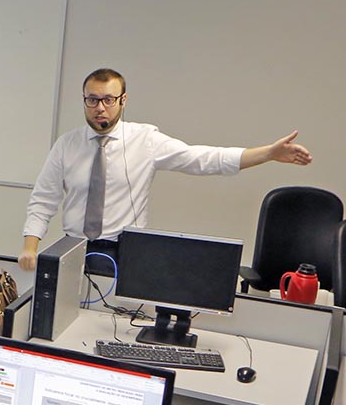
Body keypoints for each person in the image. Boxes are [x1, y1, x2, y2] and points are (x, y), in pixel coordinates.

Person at [19, 67, 312, 272]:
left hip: (124, 251)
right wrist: (30, 247)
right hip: (72, 248)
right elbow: (43, 199)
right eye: (92, 99)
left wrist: (268, 154)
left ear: (123, 100)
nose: (100, 108)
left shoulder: (145, 140)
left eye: (108, 99)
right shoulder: (66, 145)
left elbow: (202, 159)